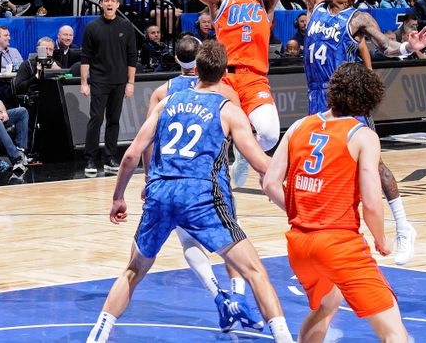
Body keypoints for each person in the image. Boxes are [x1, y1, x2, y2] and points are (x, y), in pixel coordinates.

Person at [86, 41, 294, 343]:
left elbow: (131, 155)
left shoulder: (166, 101)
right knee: (255, 271)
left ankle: (97, 336)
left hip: (160, 191)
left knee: (133, 271)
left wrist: (118, 197)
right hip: (200, 195)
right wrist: (292, 171)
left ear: (196, 69)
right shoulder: (228, 109)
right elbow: (261, 163)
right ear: (225, 74)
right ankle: (284, 337)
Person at [283, 0, 426, 266]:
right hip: (317, 98)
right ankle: (334, 240)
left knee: (374, 166)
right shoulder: (316, 5)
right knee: (325, 170)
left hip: (347, 100)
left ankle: (403, 226)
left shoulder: (358, 18)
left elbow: (386, 47)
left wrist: (408, 48)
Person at [263, 63, 408, 343]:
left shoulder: (298, 126)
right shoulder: (363, 135)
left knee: (326, 307)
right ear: (368, 98)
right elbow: (371, 204)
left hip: (299, 244)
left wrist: (301, 212)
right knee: (393, 332)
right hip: (338, 245)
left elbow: (270, 183)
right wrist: (382, 239)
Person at [141, 35, 264, 331]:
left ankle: (218, 297)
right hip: (211, 178)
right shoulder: (224, 90)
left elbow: (146, 144)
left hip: (170, 177)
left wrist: (149, 177)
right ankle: (237, 298)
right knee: (231, 239)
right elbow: (242, 134)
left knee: (188, 240)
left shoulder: (163, 92)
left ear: (177, 60)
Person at [189, 0, 282, 187]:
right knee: (215, 134)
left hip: (254, 77)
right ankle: (214, 182)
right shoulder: (222, 0)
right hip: (224, 77)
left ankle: (243, 155)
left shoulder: (264, 2)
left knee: (269, 134)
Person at [81, 0, 137, 177]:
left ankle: (110, 158)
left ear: (118, 5)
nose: (110, 3)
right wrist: (84, 82)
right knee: (96, 119)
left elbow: (132, 57)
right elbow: (86, 57)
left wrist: (130, 83)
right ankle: (90, 159)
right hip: (99, 81)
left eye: (113, 1)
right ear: (101, 4)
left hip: (120, 81)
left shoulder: (126, 26)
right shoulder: (92, 27)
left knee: (114, 121)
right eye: (106, 1)